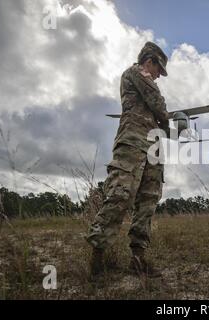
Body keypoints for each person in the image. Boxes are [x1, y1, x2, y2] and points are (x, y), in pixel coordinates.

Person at [86, 42, 170, 278]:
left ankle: (138, 258)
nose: (158, 76)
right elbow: (157, 103)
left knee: (148, 201)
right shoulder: (135, 73)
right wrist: (167, 118)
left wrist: (177, 127)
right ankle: (98, 259)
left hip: (153, 147)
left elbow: (162, 122)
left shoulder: (147, 81)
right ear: (149, 61)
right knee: (120, 196)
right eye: (158, 70)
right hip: (132, 143)